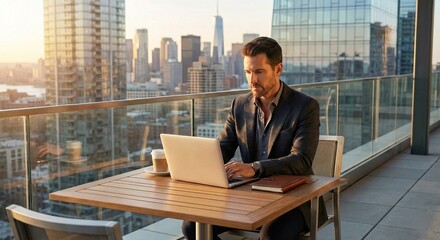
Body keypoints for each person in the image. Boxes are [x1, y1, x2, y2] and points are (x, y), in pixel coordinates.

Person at [182, 36, 327, 240]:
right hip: (247, 195)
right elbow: (223, 148)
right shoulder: (239, 105)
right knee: (192, 226)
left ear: (278, 69)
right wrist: (193, 164)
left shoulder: (304, 107)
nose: (252, 80)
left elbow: (302, 160)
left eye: (259, 72)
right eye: (248, 72)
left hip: (293, 199)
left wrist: (255, 167)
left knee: (271, 236)